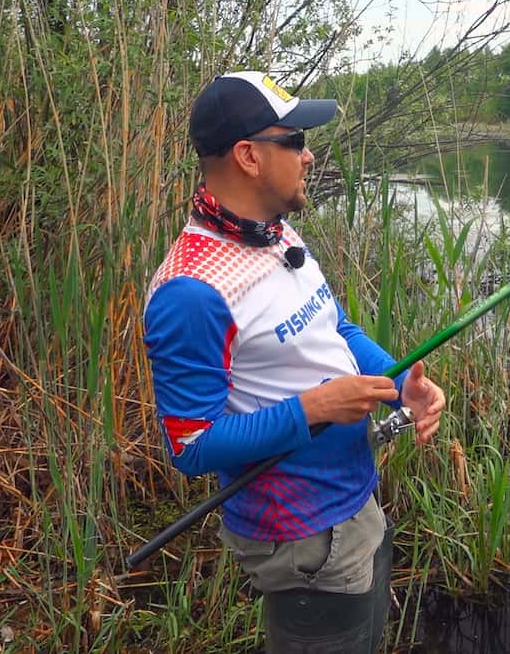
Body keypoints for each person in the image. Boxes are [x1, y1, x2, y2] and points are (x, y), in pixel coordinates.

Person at [143, 70, 445, 653]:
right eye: (296, 141)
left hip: (354, 503)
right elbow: (191, 447)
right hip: (303, 540)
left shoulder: (276, 236)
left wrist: (400, 384)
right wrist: (314, 408)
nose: (309, 156)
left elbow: (335, 328)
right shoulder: (191, 293)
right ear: (249, 156)